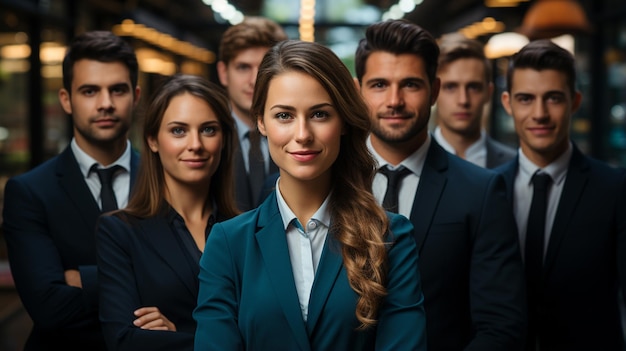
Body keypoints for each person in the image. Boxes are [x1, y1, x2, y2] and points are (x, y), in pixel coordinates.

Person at [194, 40, 427, 350]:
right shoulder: (228, 243)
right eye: (284, 116)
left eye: (319, 114)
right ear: (261, 121)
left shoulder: (391, 237)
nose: (302, 134)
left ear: (343, 121)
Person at [355, 19, 526, 350]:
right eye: (379, 84)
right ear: (357, 90)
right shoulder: (328, 182)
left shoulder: (482, 191)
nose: (394, 100)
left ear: (434, 90)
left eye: (410, 85)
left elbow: (501, 325)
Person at [2, 30, 141, 350]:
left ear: (135, 96)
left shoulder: (167, 179)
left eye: (117, 90)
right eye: (90, 91)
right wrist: (147, 279)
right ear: (66, 99)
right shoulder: (29, 192)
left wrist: (85, 278)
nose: (105, 103)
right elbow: (48, 308)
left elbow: (191, 288)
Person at [497, 39, 626, 351]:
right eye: (526, 99)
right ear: (507, 103)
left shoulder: (616, 189)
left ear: (575, 101)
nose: (539, 113)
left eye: (553, 98)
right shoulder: (487, 189)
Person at [96, 74, 239, 351]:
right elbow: (124, 340)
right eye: (178, 131)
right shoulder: (119, 231)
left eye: (209, 130)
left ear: (223, 139)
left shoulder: (247, 227)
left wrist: (177, 334)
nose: (195, 144)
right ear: (152, 140)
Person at [217, 16, 288, 211]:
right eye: (243, 67)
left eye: (264, 68)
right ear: (223, 73)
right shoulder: (205, 139)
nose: (254, 80)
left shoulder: (298, 135)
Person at [433, 34, 516, 168]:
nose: (463, 100)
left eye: (473, 87)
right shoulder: (414, 160)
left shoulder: (514, 165)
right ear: (434, 92)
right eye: (450, 87)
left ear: (489, 93)